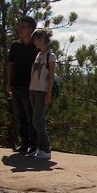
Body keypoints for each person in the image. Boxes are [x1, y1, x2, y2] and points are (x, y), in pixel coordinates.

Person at [7, 15, 39, 153]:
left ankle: (34, 144)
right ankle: (25, 143)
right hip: (16, 86)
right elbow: (10, 65)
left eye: (23, 27)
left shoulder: (36, 46)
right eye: (19, 26)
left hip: (30, 87)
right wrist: (9, 83)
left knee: (31, 117)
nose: (20, 29)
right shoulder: (15, 45)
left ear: (31, 29)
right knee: (20, 117)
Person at [28, 28, 55, 159]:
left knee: (36, 121)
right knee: (39, 121)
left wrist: (48, 93)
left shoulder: (51, 56)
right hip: (33, 89)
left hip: (42, 91)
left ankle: (46, 149)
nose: (35, 42)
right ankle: (40, 148)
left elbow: (51, 76)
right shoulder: (38, 55)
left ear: (42, 39)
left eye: (36, 39)